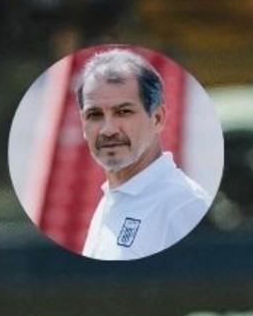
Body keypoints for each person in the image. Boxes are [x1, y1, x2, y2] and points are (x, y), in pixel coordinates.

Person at [78, 48, 210, 260]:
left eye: (123, 112)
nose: (108, 130)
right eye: (95, 114)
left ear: (157, 118)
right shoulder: (110, 200)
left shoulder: (183, 205)